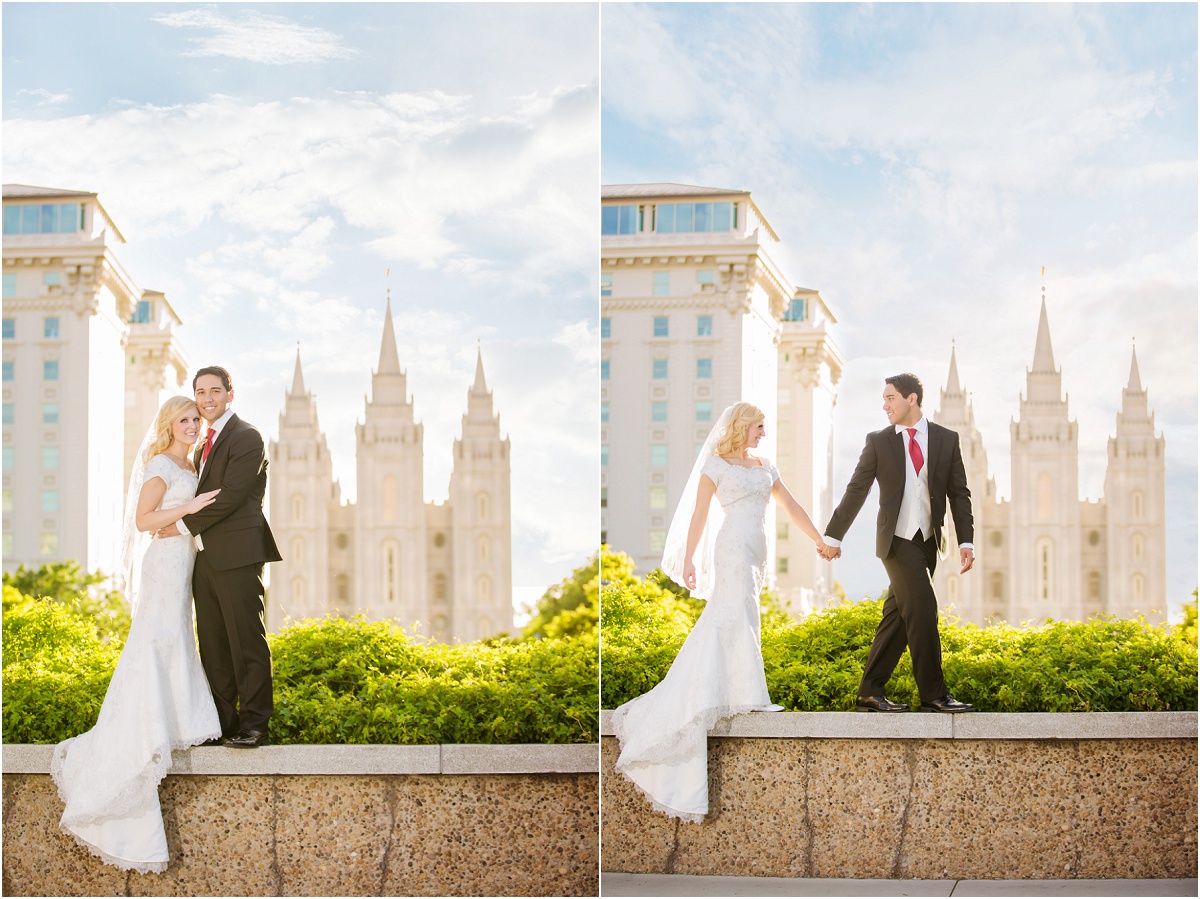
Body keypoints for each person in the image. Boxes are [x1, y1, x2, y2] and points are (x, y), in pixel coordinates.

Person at [612, 402, 831, 822]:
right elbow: (699, 514)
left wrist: (817, 539)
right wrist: (690, 559)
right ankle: (750, 695)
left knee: (745, 613)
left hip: (757, 550)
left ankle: (739, 689)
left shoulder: (767, 466)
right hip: (731, 546)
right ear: (743, 426)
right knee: (730, 612)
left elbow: (792, 507)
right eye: (759, 426)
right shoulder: (715, 464)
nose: (764, 433)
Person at [51, 396, 223, 872]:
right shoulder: (160, 464)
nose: (191, 425)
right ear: (167, 425)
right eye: (183, 419)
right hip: (164, 567)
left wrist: (188, 518)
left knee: (174, 639)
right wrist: (186, 510)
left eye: (195, 419)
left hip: (183, 565)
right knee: (158, 639)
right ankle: (143, 733)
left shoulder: (193, 462)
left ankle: (168, 718)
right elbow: (145, 521)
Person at [821, 373, 976, 713]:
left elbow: (958, 493)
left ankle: (869, 691)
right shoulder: (879, 442)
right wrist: (833, 535)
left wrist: (967, 540)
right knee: (923, 608)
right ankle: (934, 695)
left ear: (912, 399)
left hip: (928, 542)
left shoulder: (946, 440)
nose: (884, 404)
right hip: (896, 541)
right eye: (884, 398)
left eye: (890, 397)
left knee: (898, 618)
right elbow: (856, 489)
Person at [155, 366, 281, 747]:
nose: (207, 398)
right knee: (212, 644)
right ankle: (223, 725)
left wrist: (179, 526)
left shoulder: (246, 437)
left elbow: (231, 496)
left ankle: (255, 725)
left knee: (246, 641)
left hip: (238, 556)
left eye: (214, 391)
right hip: (203, 560)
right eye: (200, 392)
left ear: (230, 393)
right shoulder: (201, 444)